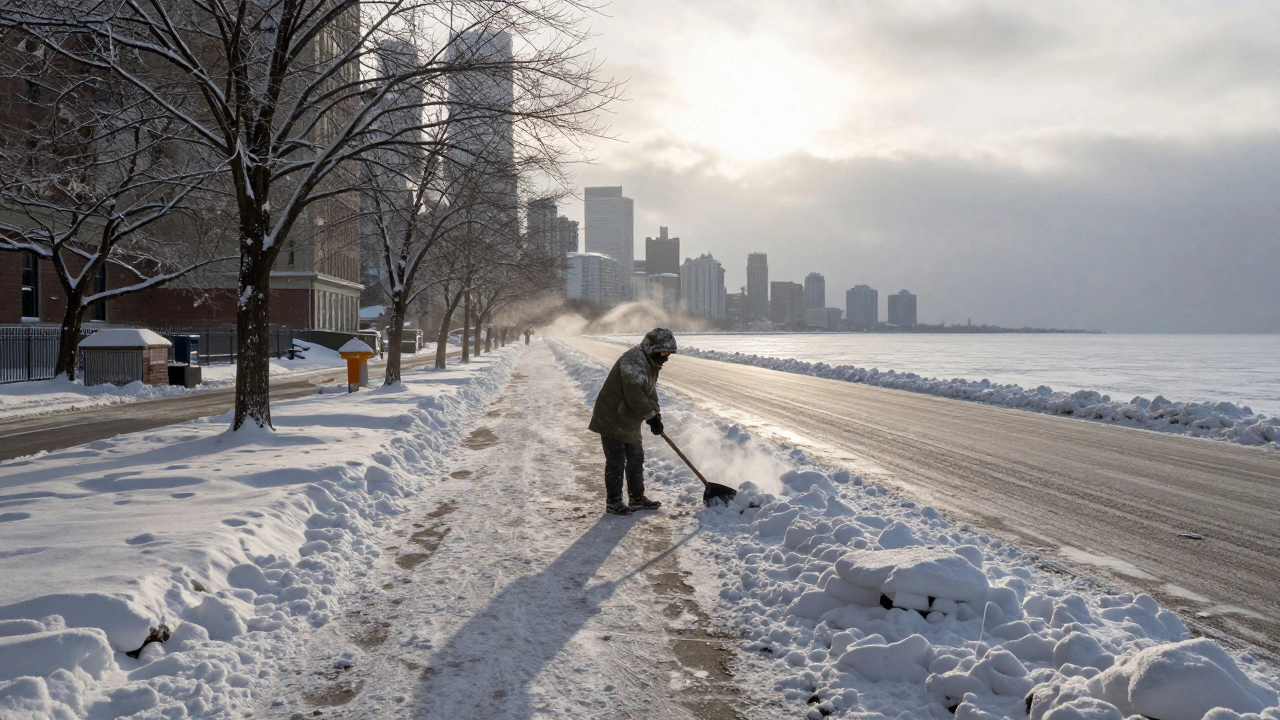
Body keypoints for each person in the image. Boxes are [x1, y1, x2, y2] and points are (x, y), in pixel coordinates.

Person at [588, 328, 677, 515]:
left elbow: (650, 392)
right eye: (663, 351)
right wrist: (650, 415)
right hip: (612, 416)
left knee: (636, 458)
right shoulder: (633, 360)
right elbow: (633, 393)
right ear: (651, 347)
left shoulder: (650, 363)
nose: (666, 356)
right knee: (616, 460)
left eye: (668, 352)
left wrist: (656, 415)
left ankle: (637, 498)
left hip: (629, 419)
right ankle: (614, 502)